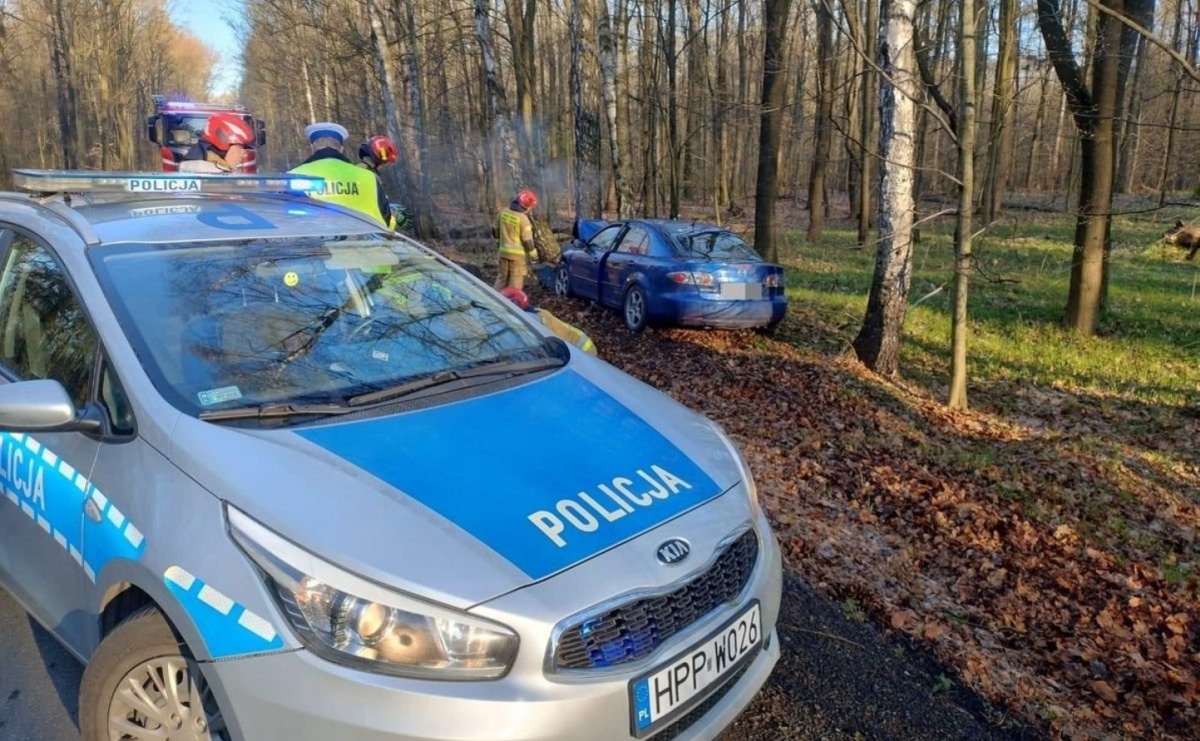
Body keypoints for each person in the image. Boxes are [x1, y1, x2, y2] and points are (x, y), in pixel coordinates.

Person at [289, 122, 389, 226]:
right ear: (341, 149)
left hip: (315, 241)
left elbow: (286, 220)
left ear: (312, 148)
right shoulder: (368, 177)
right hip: (368, 241)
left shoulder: (292, 177)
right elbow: (386, 219)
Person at [500, 287, 597, 356]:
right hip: (578, 342)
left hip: (582, 348)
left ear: (514, 304)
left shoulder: (533, 320)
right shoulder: (536, 312)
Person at [357, 134, 407, 230]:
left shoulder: (359, 170)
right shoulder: (369, 176)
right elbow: (380, 211)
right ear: (376, 158)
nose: (386, 165)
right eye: (385, 161)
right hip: (370, 228)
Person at [178, 113, 255, 173]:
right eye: (240, 148)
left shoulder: (218, 167)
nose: (244, 154)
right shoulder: (201, 170)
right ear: (221, 148)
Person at [494, 188, 539, 291]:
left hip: (503, 253)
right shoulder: (523, 219)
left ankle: (494, 300)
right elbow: (527, 241)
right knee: (515, 284)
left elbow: (495, 231)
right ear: (526, 206)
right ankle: (511, 304)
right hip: (517, 258)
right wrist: (534, 255)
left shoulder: (503, 213)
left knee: (501, 279)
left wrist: (499, 245)